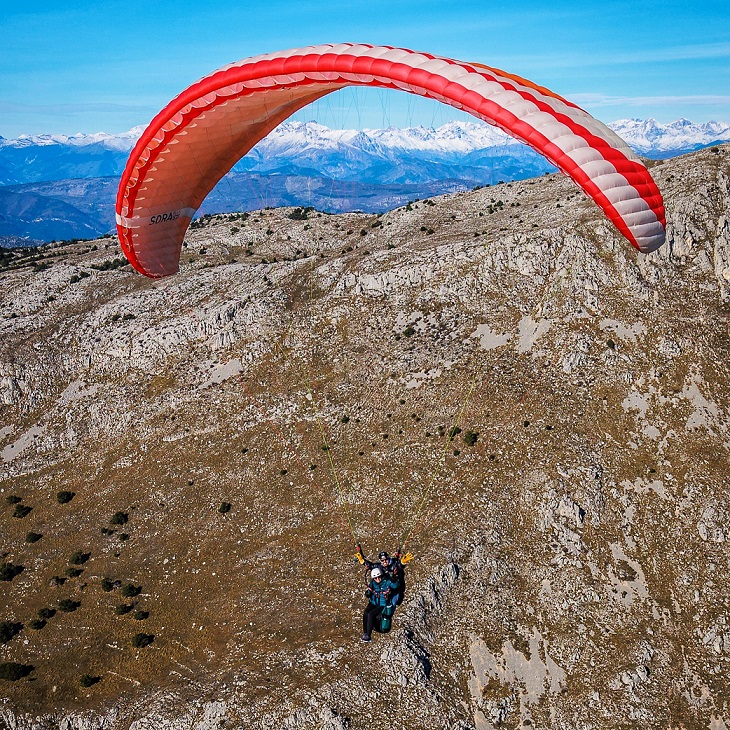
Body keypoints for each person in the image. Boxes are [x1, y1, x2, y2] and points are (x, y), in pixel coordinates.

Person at [361, 567, 397, 642]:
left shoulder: (386, 581)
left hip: (382, 604)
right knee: (366, 613)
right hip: (374, 602)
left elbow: (394, 585)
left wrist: (394, 578)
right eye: (375, 578)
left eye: (379, 577)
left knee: (371, 614)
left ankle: (368, 635)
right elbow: (370, 590)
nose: (377, 579)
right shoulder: (373, 583)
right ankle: (365, 633)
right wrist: (368, 593)